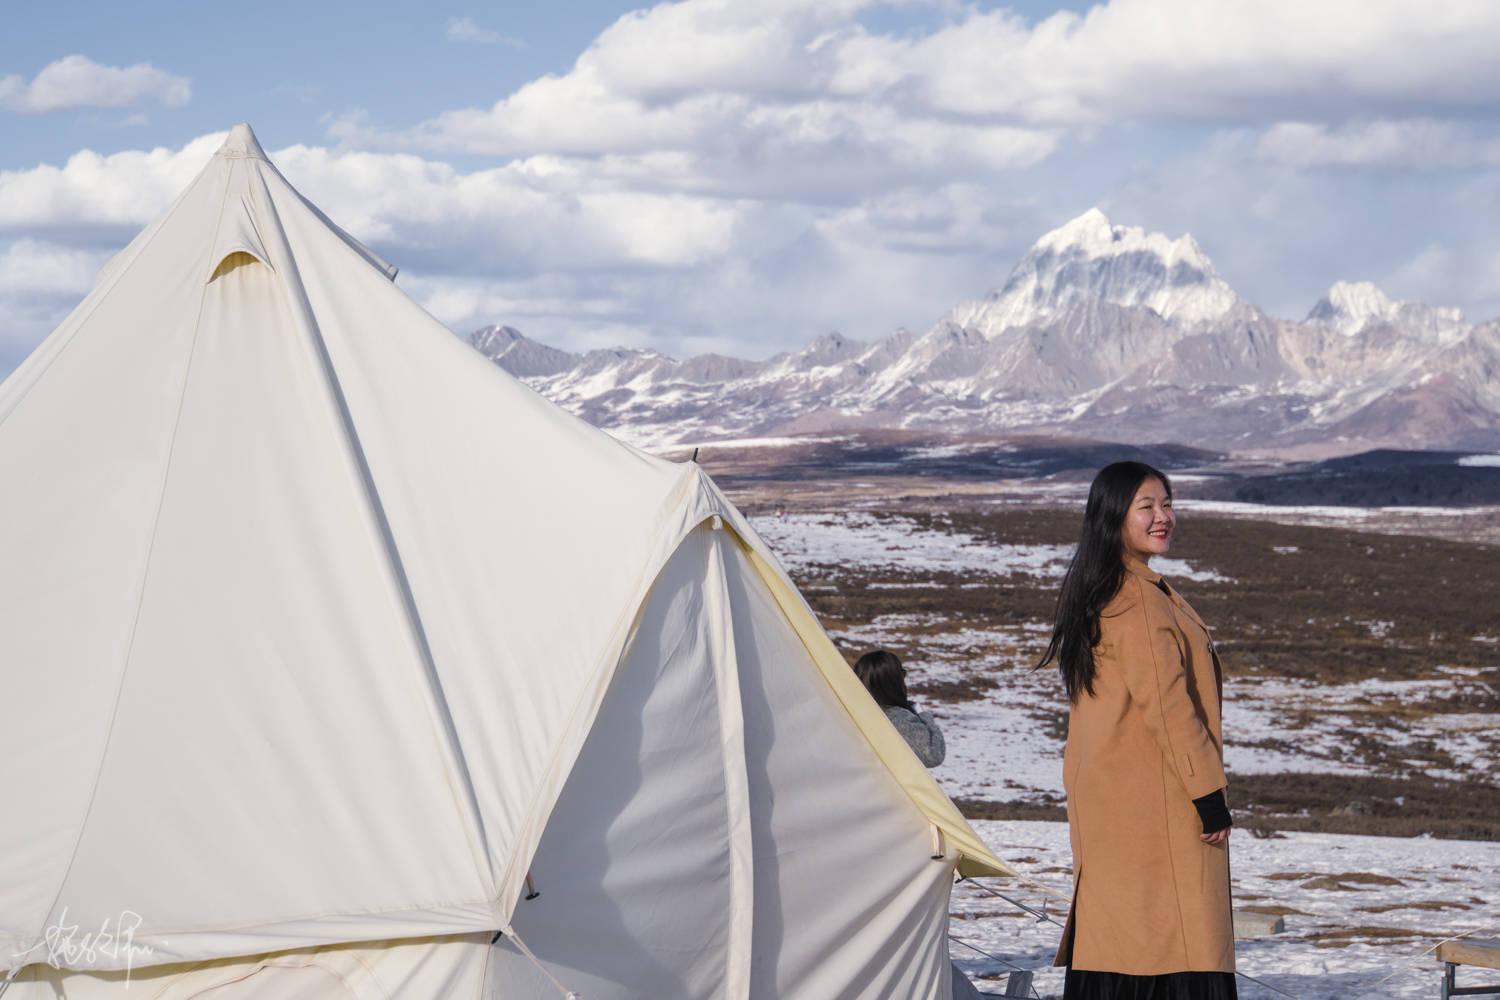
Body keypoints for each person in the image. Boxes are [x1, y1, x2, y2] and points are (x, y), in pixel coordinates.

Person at [1039, 461, 1236, 1000]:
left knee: (1120, 948)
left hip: (1116, 810)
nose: (1163, 517)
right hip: (1160, 811)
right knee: (1178, 948)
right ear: (1113, 518)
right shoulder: (1140, 603)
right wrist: (1208, 796)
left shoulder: (1105, 591)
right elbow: (1171, 709)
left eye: (1167, 503)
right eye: (1146, 507)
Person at [852, 649, 945, 766]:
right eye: (902, 673)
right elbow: (933, 755)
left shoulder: (845, 714)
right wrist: (922, 714)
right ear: (893, 681)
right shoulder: (897, 718)